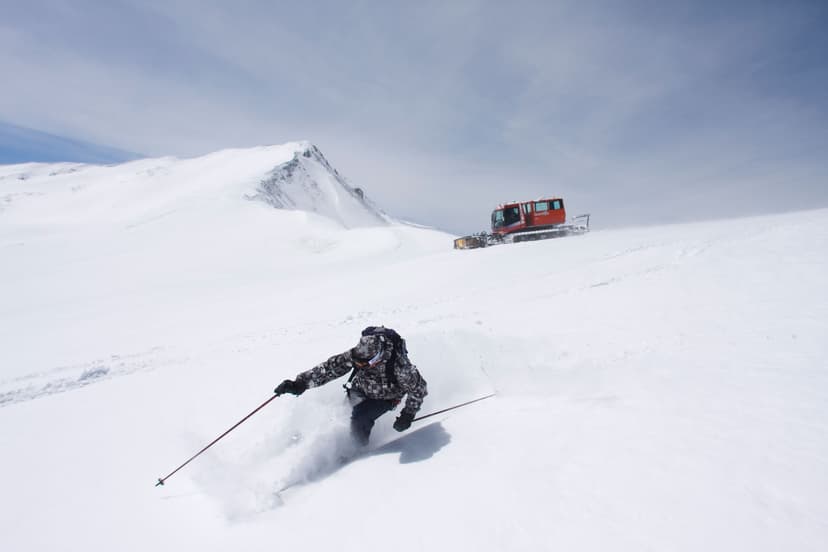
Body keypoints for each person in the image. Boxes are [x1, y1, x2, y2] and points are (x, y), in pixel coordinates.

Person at [274, 327, 428, 445]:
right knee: (341, 416)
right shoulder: (356, 355)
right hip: (360, 388)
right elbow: (330, 369)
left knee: (360, 417)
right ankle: (327, 441)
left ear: (377, 358)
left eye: (363, 364)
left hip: (387, 397)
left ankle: (356, 451)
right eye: (357, 362)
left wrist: (408, 415)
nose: (359, 365)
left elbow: (419, 388)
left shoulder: (400, 366)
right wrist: (300, 383)